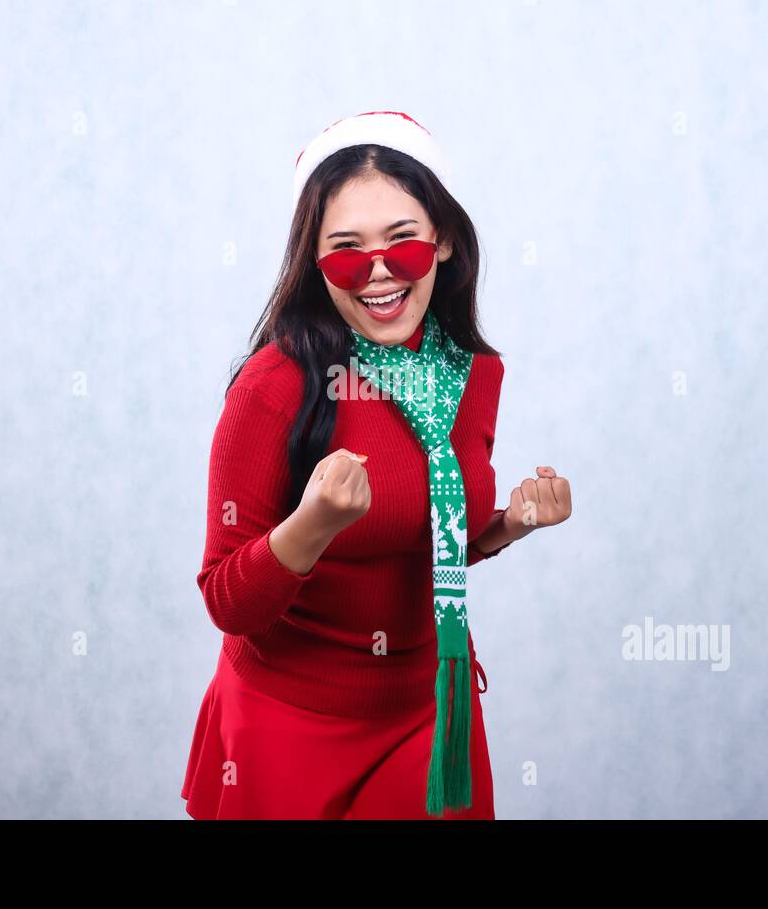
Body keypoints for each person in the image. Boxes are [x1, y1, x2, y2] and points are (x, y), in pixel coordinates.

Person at [180, 110, 572, 819]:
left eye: (404, 244)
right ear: (314, 262)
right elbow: (225, 600)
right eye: (346, 253)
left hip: (427, 716)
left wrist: (507, 525)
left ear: (444, 240)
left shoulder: (470, 375)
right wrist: (313, 525)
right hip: (290, 721)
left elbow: (417, 538)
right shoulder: (275, 387)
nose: (381, 272)